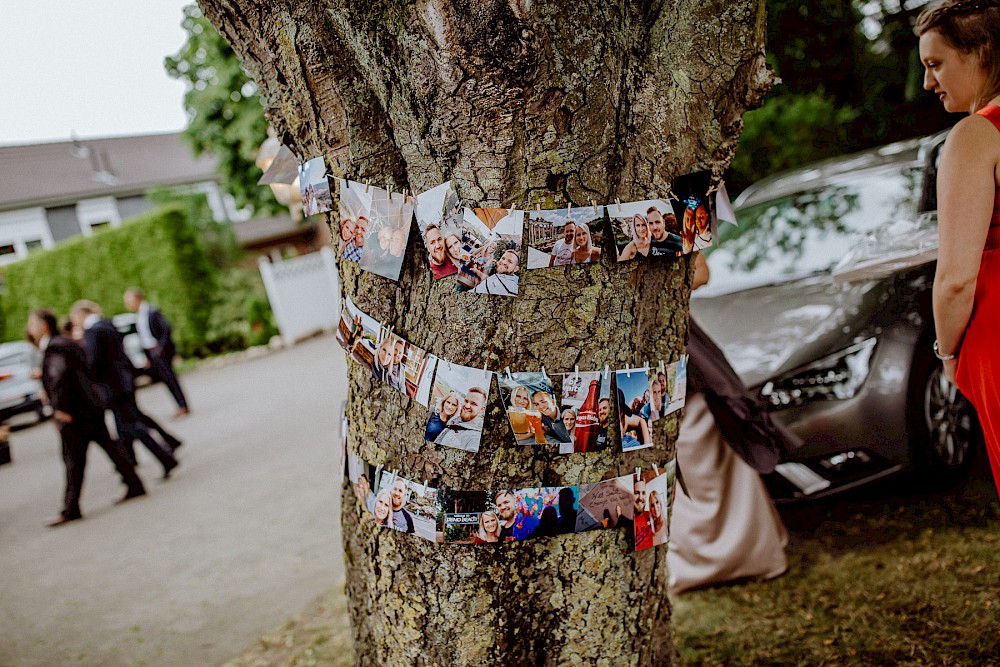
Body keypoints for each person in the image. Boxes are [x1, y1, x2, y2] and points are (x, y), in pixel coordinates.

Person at [668, 252, 797, 593]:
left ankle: (750, 553)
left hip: (685, 349)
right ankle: (692, 564)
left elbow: (701, 272)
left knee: (710, 446)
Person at [918, 0, 1000, 496]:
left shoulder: (976, 135)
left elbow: (954, 280)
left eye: (935, 63)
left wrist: (948, 354)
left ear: (981, 52)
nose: (929, 83)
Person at [28, 309, 146, 527]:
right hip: (90, 407)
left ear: (43, 325)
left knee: (74, 461)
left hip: (75, 413)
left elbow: (60, 376)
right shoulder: (65, 343)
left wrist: (59, 408)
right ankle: (134, 483)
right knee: (109, 449)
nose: (29, 329)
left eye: (32, 324)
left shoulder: (55, 346)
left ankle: (71, 508)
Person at [70, 300, 179, 480]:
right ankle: (130, 466)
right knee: (126, 427)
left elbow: (94, 362)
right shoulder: (107, 324)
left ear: (81, 315)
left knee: (132, 426)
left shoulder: (93, 331)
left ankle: (164, 458)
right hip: (123, 383)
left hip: (112, 388)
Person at [123, 288, 189, 418]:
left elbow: (166, 329)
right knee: (165, 380)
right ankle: (180, 405)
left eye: (128, 301)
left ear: (136, 298)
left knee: (170, 379)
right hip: (151, 353)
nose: (127, 304)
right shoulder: (139, 315)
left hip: (159, 352)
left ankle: (183, 406)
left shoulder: (152, 311)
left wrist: (161, 349)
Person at [632, 475, 653, 549]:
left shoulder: (650, 515)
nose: (641, 498)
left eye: (643, 493)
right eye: (636, 493)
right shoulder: (627, 520)